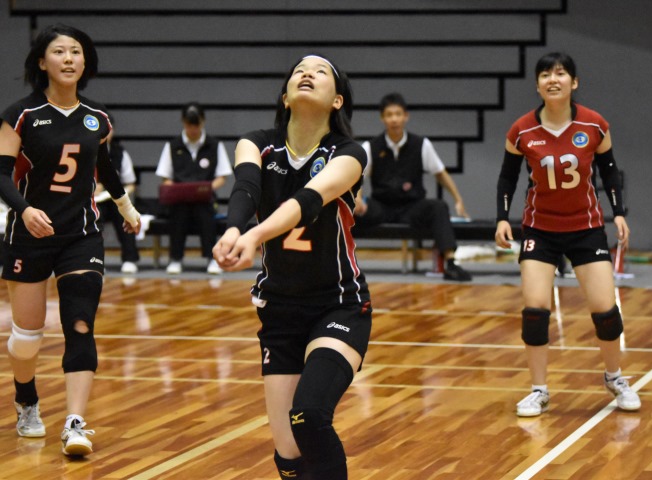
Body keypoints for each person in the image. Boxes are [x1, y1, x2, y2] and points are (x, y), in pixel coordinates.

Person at [213, 54, 371, 480]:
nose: (307, 74)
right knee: (288, 454)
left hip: (338, 304)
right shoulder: (256, 143)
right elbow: (246, 187)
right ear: (285, 96)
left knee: (310, 415)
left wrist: (253, 236)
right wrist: (233, 229)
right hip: (280, 309)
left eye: (320, 72)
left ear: (337, 100)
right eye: (299, 70)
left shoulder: (349, 153)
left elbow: (307, 201)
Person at [0, 24, 141, 456]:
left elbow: (105, 167)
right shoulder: (22, 114)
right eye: (59, 51)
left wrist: (126, 208)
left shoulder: (98, 118)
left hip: (81, 236)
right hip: (28, 236)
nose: (68, 58)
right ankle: (27, 400)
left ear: (85, 62)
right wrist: (25, 210)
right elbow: (1, 175)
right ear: (42, 62)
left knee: (80, 323)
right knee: (27, 338)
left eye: (75, 51)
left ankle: (75, 424)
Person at [495, 52, 640, 417]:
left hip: (585, 228)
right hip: (540, 230)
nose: (553, 80)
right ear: (537, 85)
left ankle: (615, 378)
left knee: (606, 311)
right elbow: (507, 177)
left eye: (560, 74)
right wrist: (502, 218)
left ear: (574, 83)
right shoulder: (522, 130)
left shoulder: (594, 124)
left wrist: (619, 213)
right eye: (545, 75)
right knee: (535, 310)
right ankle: (539, 390)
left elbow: (609, 171)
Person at [354, 92, 472, 281]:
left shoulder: (421, 144)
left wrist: (458, 199)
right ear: (382, 118)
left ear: (406, 116)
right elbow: (357, 177)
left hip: (411, 207)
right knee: (346, 210)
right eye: (389, 115)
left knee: (438, 207)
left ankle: (450, 263)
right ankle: (340, 262)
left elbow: (440, 173)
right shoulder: (370, 146)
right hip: (381, 206)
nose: (394, 119)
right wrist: (358, 198)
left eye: (398, 114)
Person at [155, 102, 232, 275]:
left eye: (196, 124)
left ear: (203, 122)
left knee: (206, 215)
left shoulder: (214, 145)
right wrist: (178, 191)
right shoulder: (172, 146)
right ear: (183, 122)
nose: (193, 129)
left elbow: (222, 177)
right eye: (189, 125)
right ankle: (176, 259)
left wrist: (205, 189)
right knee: (178, 214)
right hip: (179, 201)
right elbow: (165, 177)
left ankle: (211, 258)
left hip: (205, 200)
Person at [94, 117, 140, 273]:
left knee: (125, 215)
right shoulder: (85, 149)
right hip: (92, 201)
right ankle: (95, 260)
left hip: (114, 199)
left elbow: (130, 183)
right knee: (94, 219)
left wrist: (122, 199)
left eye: (108, 129)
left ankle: (130, 258)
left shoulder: (119, 152)